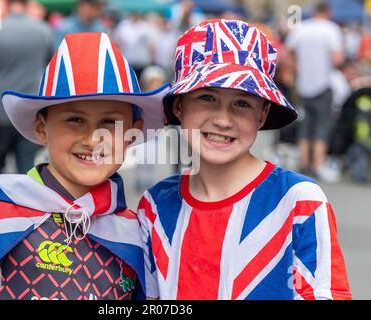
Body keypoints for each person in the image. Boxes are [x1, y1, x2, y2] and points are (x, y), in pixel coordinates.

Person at [0, 32, 170, 300]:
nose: (93, 139)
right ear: (41, 128)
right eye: (74, 119)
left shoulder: (138, 235)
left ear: (133, 132)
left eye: (109, 122)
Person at [137, 19, 352, 300]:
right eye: (206, 98)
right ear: (178, 106)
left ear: (262, 114)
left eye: (242, 103)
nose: (223, 119)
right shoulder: (154, 206)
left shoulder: (300, 203)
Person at [0, 0, 54, 174]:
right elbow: (51, 70)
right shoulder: (43, 30)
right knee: (27, 167)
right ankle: (27, 202)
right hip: (30, 112)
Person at [285, 1, 344, 181]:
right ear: (328, 12)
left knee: (304, 124)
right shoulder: (331, 29)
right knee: (322, 125)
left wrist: (296, 68)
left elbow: (287, 53)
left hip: (303, 85)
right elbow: (337, 60)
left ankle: (303, 164)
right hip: (324, 84)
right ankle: (317, 165)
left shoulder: (301, 28)